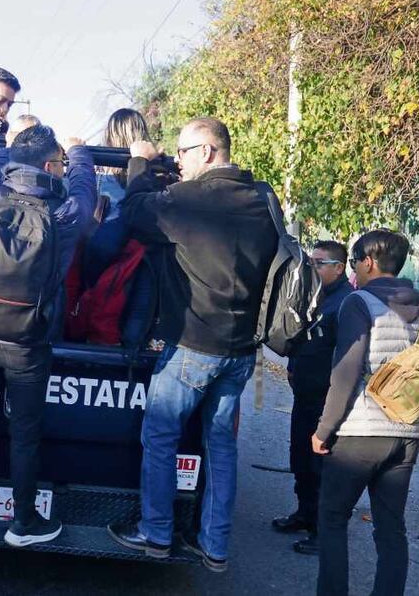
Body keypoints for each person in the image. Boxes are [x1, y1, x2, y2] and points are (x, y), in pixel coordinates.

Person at [107, 117, 279, 572]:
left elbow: (135, 212)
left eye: (182, 152)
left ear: (206, 151)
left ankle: (156, 532)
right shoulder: (263, 199)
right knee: (220, 447)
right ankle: (214, 545)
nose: (179, 161)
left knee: (160, 436)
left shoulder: (191, 199)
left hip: (192, 346)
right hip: (240, 350)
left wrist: (140, 163)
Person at [0, 124, 97, 547]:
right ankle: (23, 524)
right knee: (25, 432)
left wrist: (4, 146)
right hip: (29, 343)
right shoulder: (64, 213)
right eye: (61, 163)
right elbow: (86, 191)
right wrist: (80, 152)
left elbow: (1, 171)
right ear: (51, 167)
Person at [312, 229, 419, 596]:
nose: (353, 270)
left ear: (370, 262)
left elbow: (346, 372)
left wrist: (324, 430)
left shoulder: (358, 302)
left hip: (362, 430)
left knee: (332, 518)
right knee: (391, 529)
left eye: (356, 262)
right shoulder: (416, 303)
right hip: (406, 432)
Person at [272, 240, 353, 555]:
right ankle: (304, 513)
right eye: (311, 262)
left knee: (321, 465)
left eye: (319, 263)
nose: (312, 268)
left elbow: (346, 356)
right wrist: (293, 367)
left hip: (326, 398)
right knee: (300, 457)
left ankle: (323, 532)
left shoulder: (346, 303)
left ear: (339, 268)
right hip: (304, 392)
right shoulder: (314, 296)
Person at [83, 108, 154, 287]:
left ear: (110, 137)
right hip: (146, 279)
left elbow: (102, 246)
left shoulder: (100, 183)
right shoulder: (159, 179)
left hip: (103, 282)